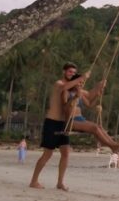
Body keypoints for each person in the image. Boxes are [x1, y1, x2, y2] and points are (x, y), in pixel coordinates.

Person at [30, 63, 86, 191]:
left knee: (66, 153)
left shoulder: (69, 90)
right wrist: (82, 77)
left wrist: (77, 95)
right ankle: (34, 181)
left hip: (62, 124)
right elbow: (65, 86)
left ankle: (60, 183)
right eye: (70, 72)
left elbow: (68, 105)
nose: (72, 74)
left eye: (74, 72)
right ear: (64, 71)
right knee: (47, 154)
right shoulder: (59, 84)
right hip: (52, 122)